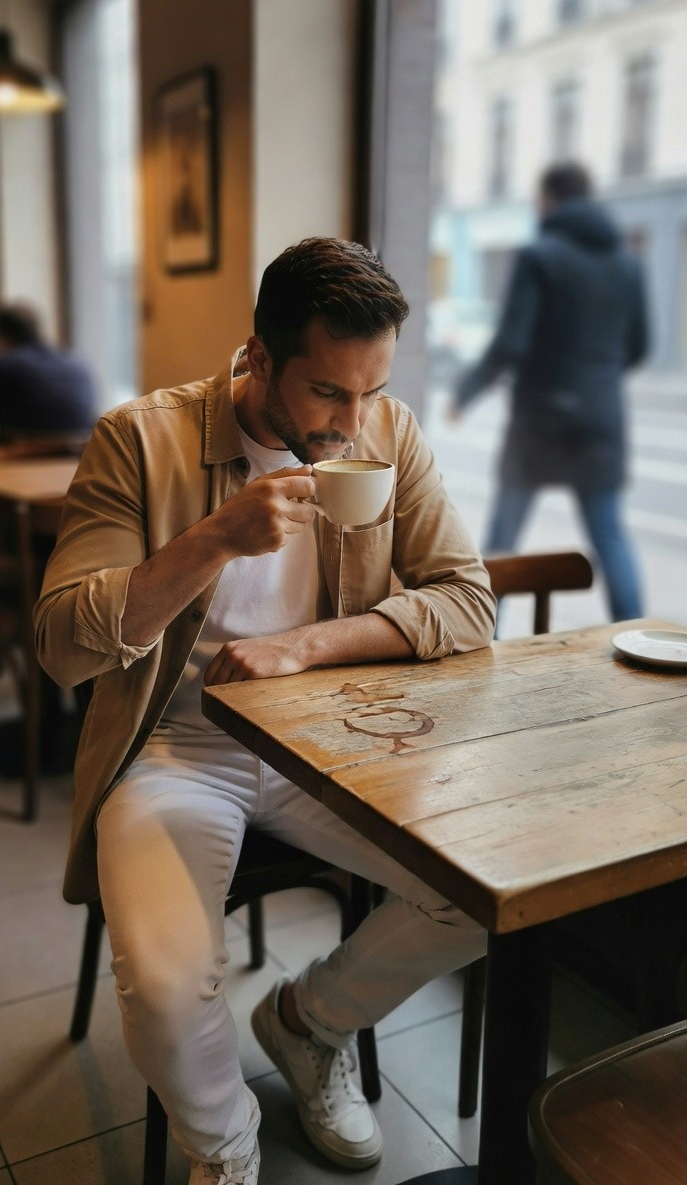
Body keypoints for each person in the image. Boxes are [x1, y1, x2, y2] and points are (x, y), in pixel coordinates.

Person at [36, 238, 496, 1185]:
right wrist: (210, 540)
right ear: (257, 356)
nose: (354, 423)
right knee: (166, 990)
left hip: (329, 741)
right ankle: (226, 1147)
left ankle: (306, 1024)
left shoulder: (388, 433)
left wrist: (304, 647)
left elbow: (467, 599)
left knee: (484, 894)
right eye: (329, 392)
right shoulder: (139, 439)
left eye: (372, 391)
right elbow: (61, 644)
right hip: (177, 747)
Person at [448, 162, 649, 623]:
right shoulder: (627, 263)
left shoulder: (539, 256)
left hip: (539, 421)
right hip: (601, 421)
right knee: (609, 535)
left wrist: (466, 392)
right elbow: (639, 347)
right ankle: (636, 633)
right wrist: (597, 379)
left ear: (549, 199)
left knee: (503, 537)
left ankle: (481, 634)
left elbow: (510, 344)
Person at [0, 301, 96, 440]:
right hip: (78, 451)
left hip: (24, 451)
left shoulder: (3, 366)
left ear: (2, 336)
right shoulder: (78, 363)